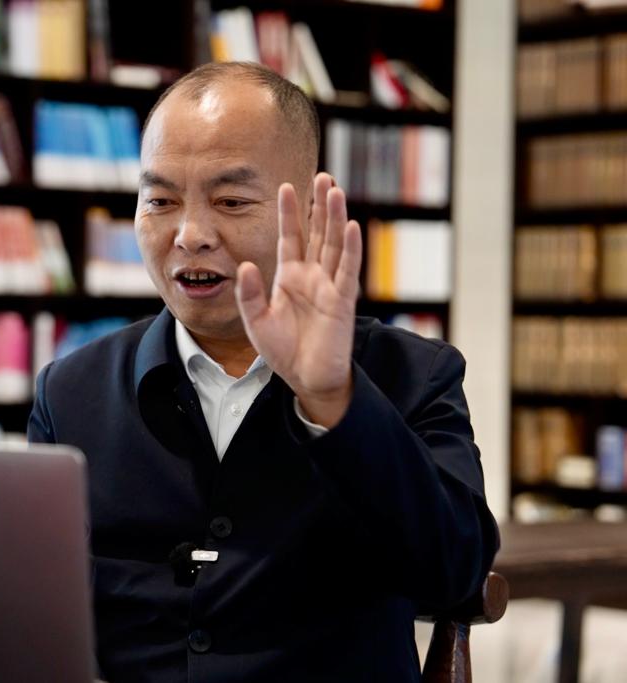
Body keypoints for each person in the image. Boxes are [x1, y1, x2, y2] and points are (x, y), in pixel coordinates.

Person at [28, 61, 499, 682]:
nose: (190, 235)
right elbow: (35, 610)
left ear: (310, 211)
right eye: (161, 201)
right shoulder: (70, 394)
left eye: (231, 201)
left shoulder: (412, 375)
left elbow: (457, 575)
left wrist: (334, 400)